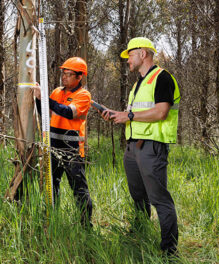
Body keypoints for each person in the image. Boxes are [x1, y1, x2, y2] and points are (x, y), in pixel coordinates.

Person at [102, 37, 180, 255]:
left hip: (152, 148)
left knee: (160, 200)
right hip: (133, 149)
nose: (127, 60)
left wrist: (127, 115)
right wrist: (118, 116)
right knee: (138, 196)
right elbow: (135, 116)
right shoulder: (138, 84)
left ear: (143, 54)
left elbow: (160, 112)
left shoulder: (162, 78)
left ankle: (169, 252)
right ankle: (141, 233)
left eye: (130, 54)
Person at [34, 57, 93, 227]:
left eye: (69, 74)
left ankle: (86, 226)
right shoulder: (56, 92)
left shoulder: (83, 95)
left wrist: (44, 98)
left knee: (79, 189)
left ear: (79, 76)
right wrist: (39, 100)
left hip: (72, 150)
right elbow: (44, 113)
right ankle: (52, 221)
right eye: (63, 73)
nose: (64, 77)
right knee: (52, 186)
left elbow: (68, 112)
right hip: (53, 147)